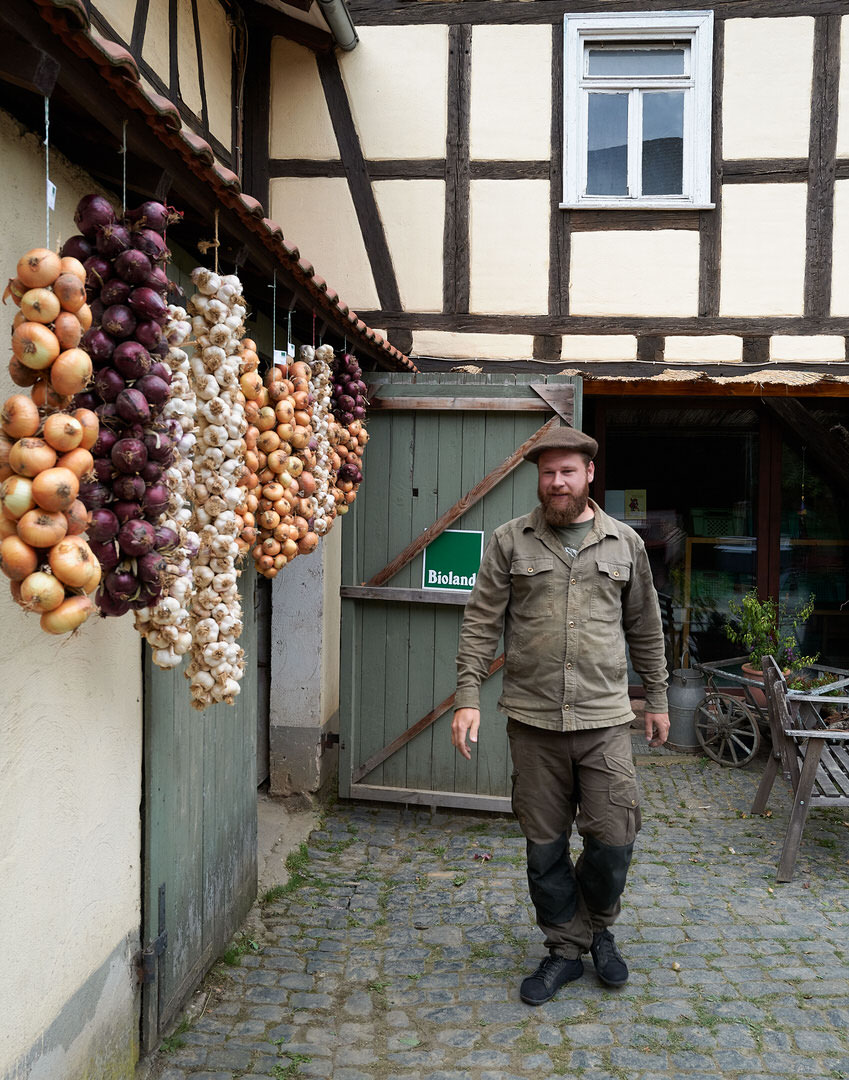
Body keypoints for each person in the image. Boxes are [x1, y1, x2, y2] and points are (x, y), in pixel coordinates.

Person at [451, 426, 669, 1006]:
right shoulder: (509, 542)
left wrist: (660, 700)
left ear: (590, 474)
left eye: (568, 471)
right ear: (539, 479)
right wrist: (467, 696)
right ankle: (564, 950)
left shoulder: (625, 545)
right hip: (533, 723)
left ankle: (597, 928)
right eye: (548, 473)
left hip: (604, 722)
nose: (558, 483)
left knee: (614, 836)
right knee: (544, 846)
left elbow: (645, 627)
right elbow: (480, 622)